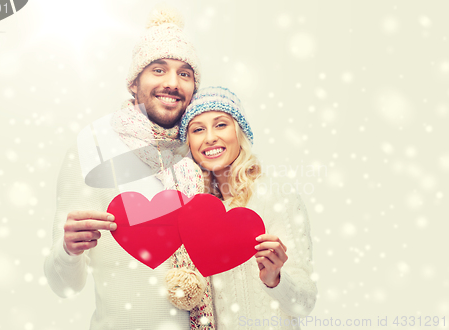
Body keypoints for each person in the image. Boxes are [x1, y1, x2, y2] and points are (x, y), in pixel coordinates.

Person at [44, 6, 215, 330]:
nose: (172, 83)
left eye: (184, 73)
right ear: (134, 83)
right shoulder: (93, 147)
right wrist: (68, 251)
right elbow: (63, 286)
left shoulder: (203, 152)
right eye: (158, 69)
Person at [178, 86, 318, 329]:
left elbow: (304, 304)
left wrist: (275, 280)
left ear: (239, 132)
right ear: (189, 143)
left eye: (220, 124)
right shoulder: (191, 213)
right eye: (198, 129)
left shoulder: (276, 196)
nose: (210, 137)